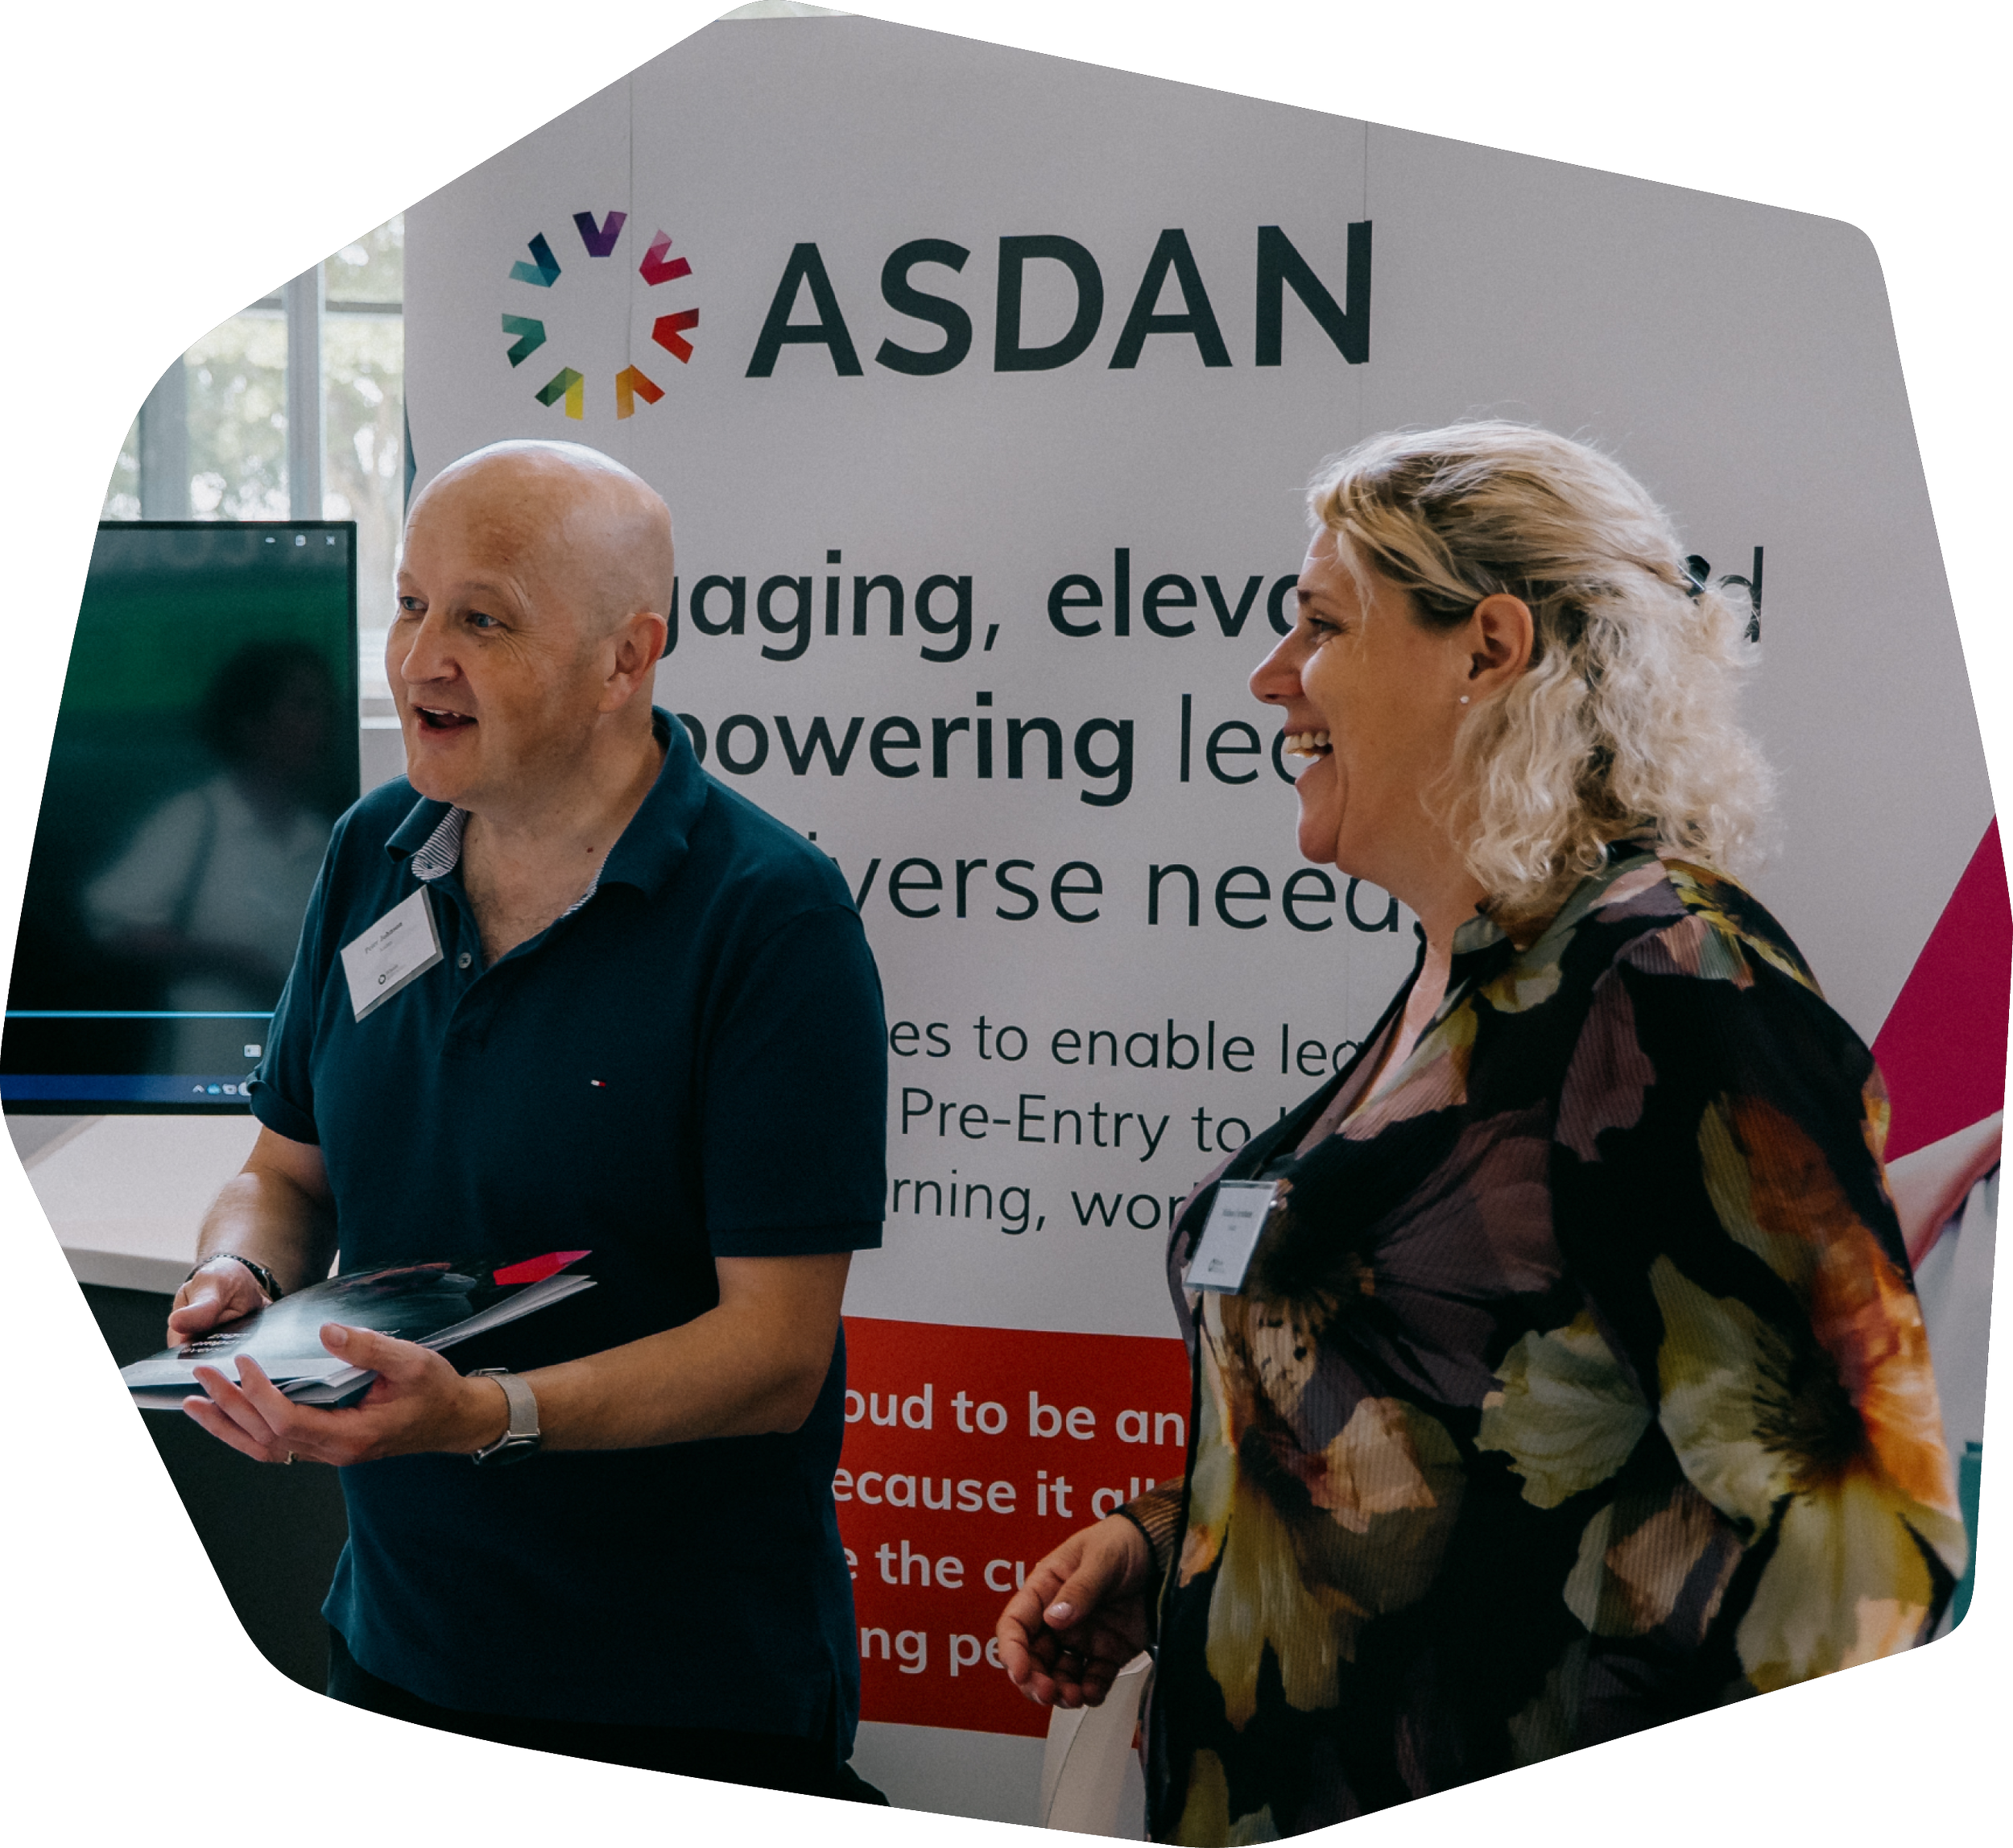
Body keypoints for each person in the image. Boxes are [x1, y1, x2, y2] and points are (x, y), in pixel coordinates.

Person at [995, 423, 1965, 1842]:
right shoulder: (1470, 979)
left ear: (1489, 648)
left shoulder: (1669, 983)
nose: (1272, 675)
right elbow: (1456, 1420)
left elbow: (1863, 1555)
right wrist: (1171, 1547)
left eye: (1323, 624)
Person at [163, 440, 890, 1799]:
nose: (419, 659)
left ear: (628, 658)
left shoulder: (769, 917)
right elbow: (287, 1173)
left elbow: (775, 1354)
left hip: (678, 1695)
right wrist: (240, 1271)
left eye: (482, 619)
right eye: (410, 603)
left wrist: (483, 1416)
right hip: (398, 1643)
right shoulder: (372, 850)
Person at [85, 641, 338, 1074]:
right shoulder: (196, 819)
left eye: (327, 708)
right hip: (194, 1078)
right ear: (251, 723)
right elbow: (110, 924)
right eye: (304, 705)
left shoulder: (325, 839)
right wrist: (232, 961)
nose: (322, 724)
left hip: (298, 1083)